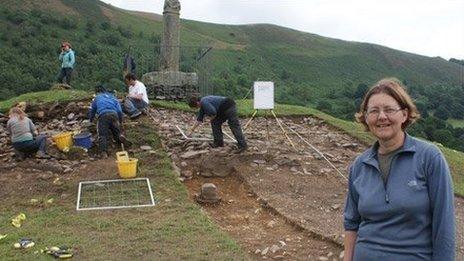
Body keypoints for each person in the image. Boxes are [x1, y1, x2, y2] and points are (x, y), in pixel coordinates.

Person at [343, 78, 455, 260]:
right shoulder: (359, 165)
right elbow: (351, 223)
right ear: (366, 117)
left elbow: (444, 227)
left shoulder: (429, 158)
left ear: (404, 114)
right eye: (373, 111)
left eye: (389, 110)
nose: (381, 117)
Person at [89, 85, 130, 158]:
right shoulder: (113, 97)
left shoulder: (97, 98)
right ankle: (119, 137)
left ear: (97, 92)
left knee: (102, 135)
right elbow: (119, 111)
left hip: (103, 115)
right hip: (114, 115)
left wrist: (91, 120)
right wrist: (120, 121)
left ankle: (103, 152)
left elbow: (93, 110)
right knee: (115, 131)